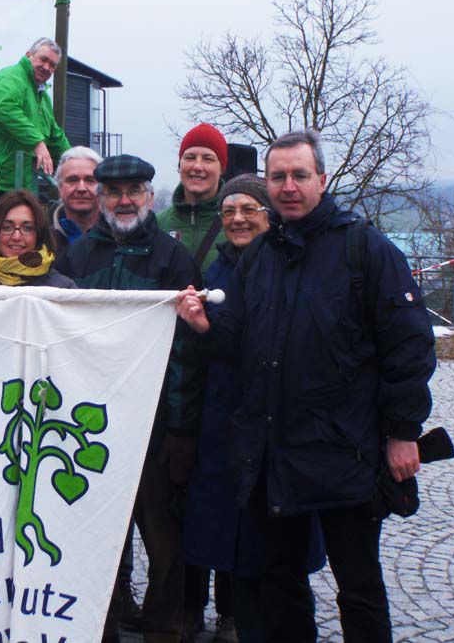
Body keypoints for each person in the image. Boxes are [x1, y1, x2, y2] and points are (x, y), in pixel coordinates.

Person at [176, 130, 435, 642]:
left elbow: (409, 346)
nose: (288, 186)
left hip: (347, 451)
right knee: (281, 585)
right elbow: (243, 345)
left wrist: (404, 430)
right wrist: (208, 328)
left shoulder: (366, 249)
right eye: (278, 177)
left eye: (299, 175)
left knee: (358, 587)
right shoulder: (259, 257)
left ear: (322, 178)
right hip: (276, 454)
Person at [56, 154, 204, 643]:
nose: (124, 200)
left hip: (156, 426)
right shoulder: (75, 258)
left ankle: (165, 630)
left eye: (134, 191)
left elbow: (186, 350)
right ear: (100, 198)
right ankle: (105, 625)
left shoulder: (173, 258)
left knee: (165, 544)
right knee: (98, 538)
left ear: (148, 196)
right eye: (114, 192)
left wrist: (182, 429)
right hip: (90, 426)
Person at [181, 174, 269, 641]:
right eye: (230, 211)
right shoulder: (217, 268)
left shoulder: (278, 267)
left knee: (248, 524)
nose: (237, 219)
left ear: (267, 216)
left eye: (248, 210)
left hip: (261, 416)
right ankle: (199, 611)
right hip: (215, 414)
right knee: (211, 516)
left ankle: (238, 614)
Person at [0, 38, 71, 193]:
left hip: (18, 185)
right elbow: (4, 109)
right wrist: (37, 143)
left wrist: (75, 161)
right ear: (29, 55)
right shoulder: (9, 78)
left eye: (52, 65)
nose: (46, 67)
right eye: (43, 59)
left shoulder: (43, 98)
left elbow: (55, 137)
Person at [0, 189, 75, 288]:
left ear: (39, 234)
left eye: (27, 228)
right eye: (7, 227)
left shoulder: (63, 289)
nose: (16, 237)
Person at [158, 123, 228, 273]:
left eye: (207, 159)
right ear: (179, 165)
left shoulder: (237, 224)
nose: (197, 166)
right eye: (190, 157)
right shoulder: (157, 224)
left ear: (222, 168)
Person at [50, 146, 103, 254]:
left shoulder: (121, 238)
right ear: (59, 188)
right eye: (72, 180)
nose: (81, 188)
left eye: (90, 180)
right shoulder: (42, 240)